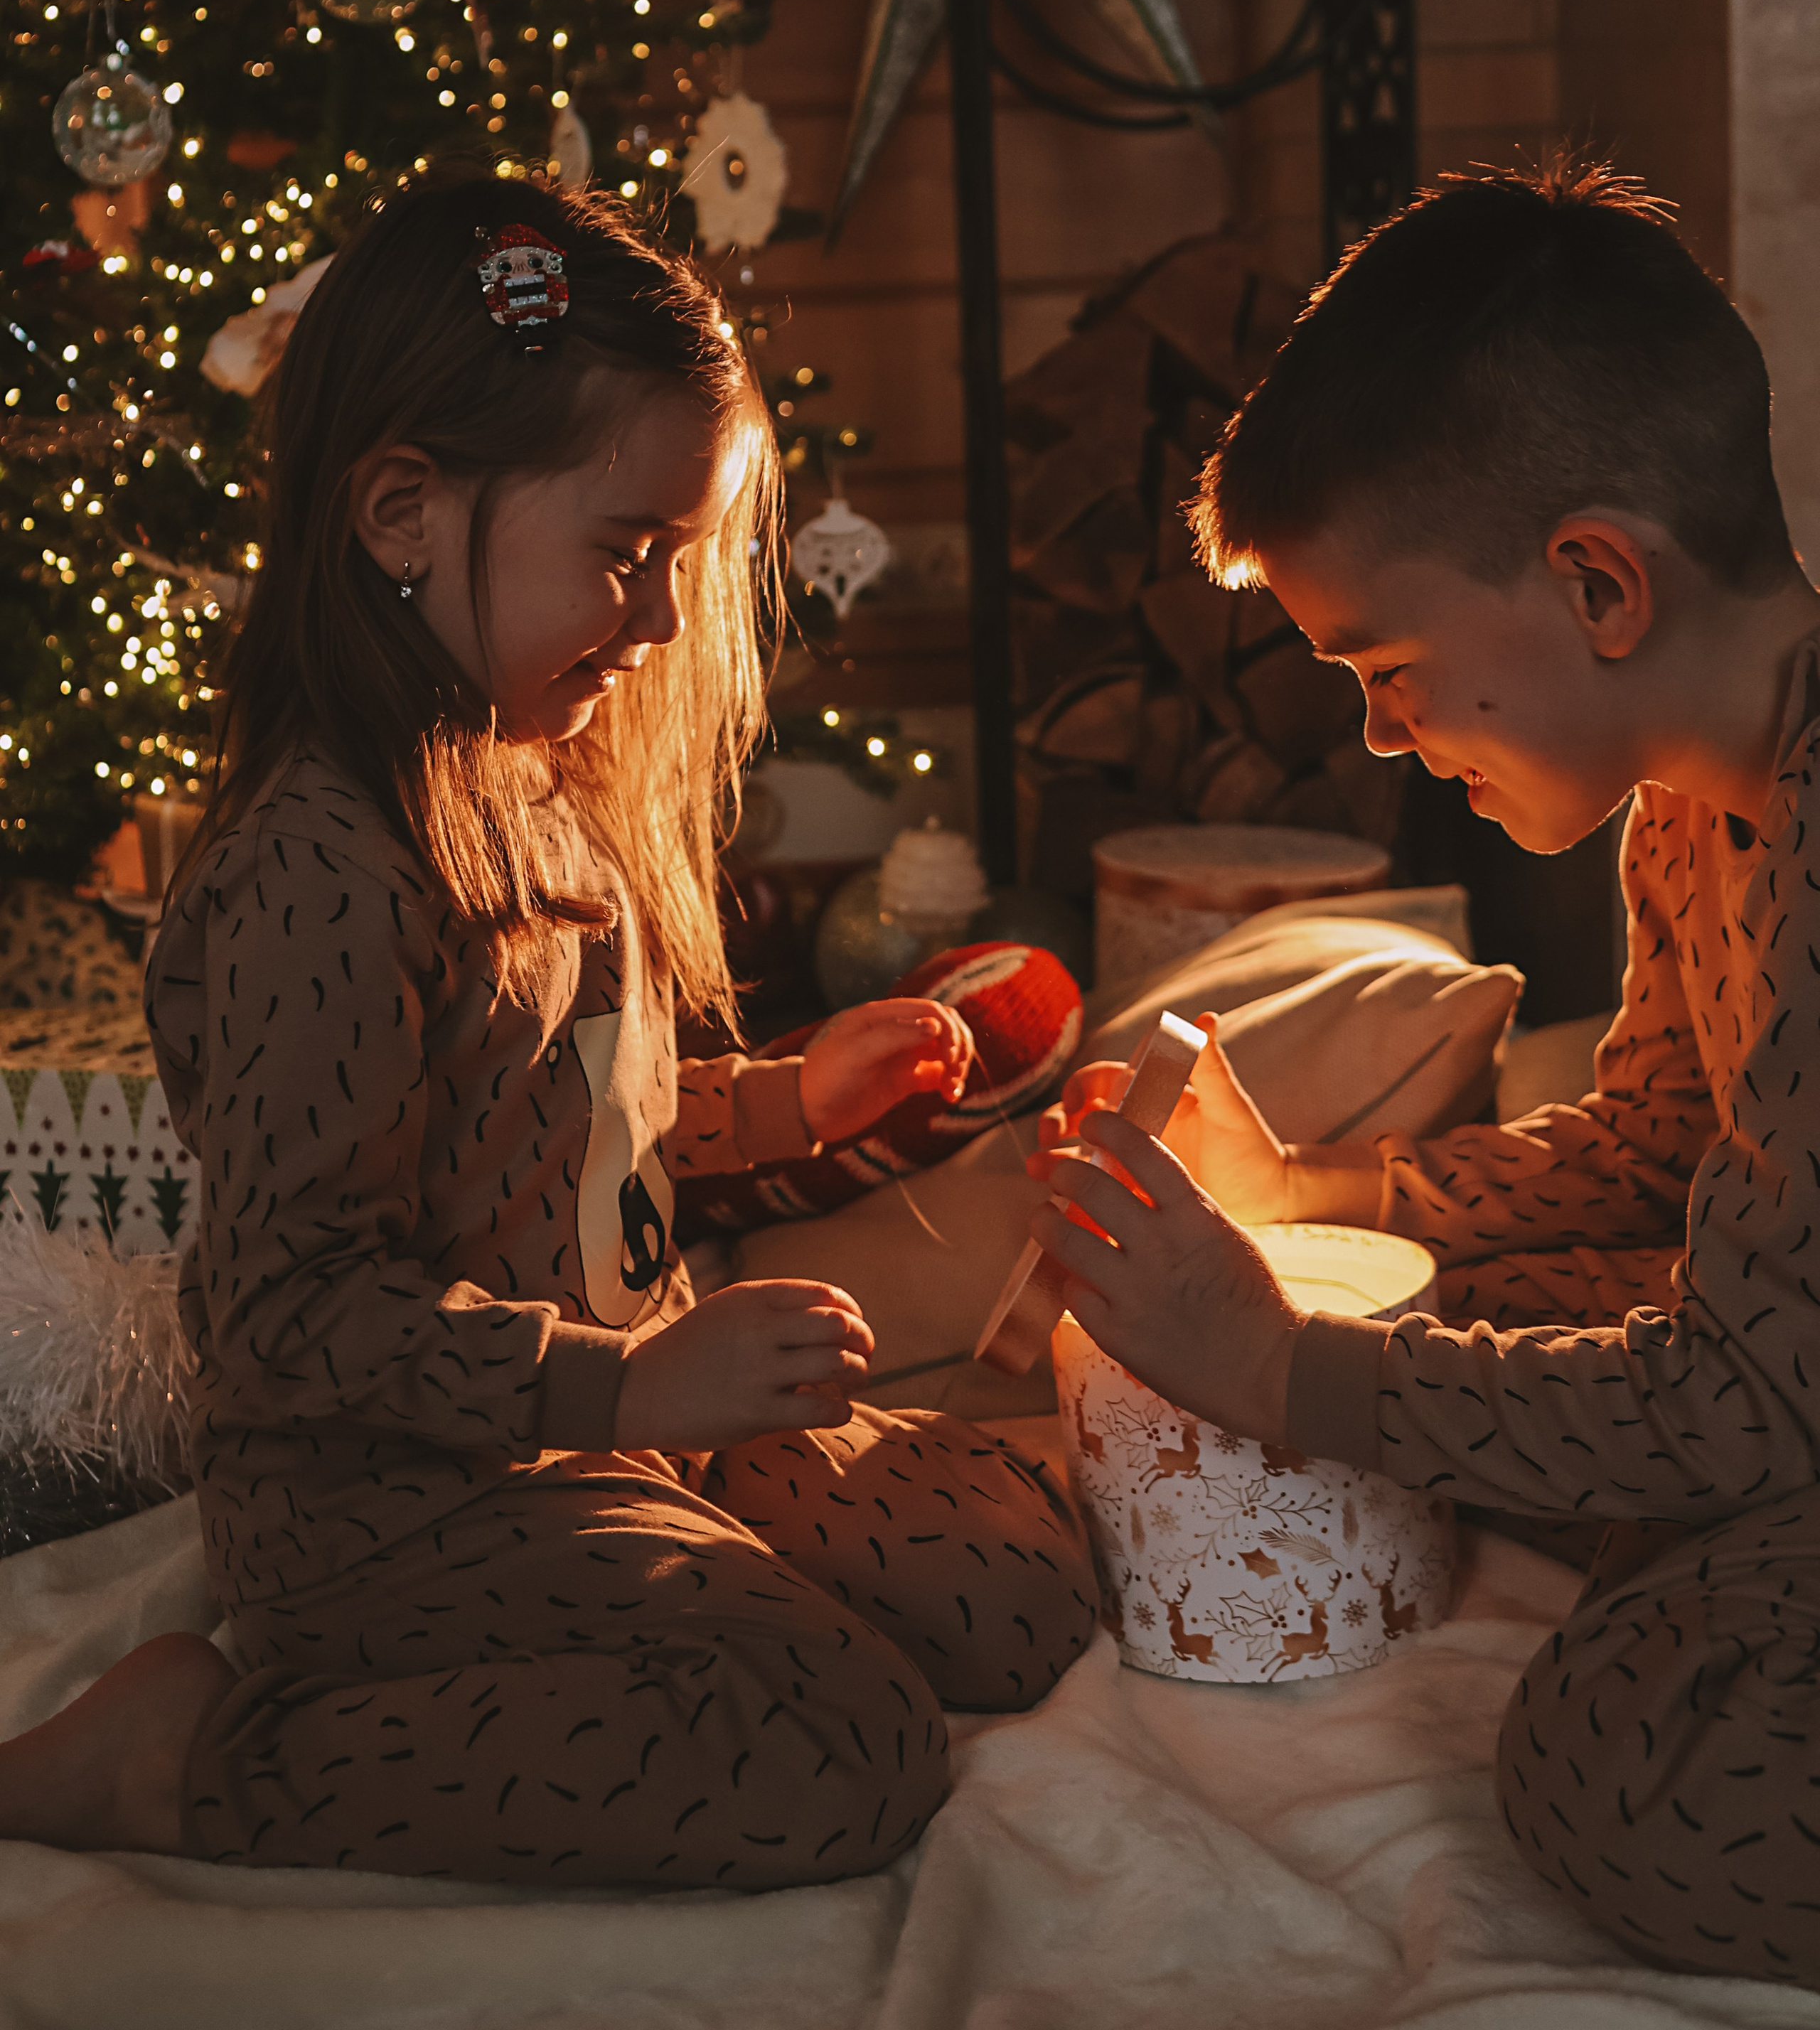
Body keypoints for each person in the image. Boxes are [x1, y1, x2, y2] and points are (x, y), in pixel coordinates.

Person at [0, 176, 1093, 1889]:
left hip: (614, 1407)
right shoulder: (326, 866)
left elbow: (572, 1115)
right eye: (623, 552)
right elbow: (285, 1314)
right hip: (397, 1492)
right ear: (400, 515)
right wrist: (630, 1380)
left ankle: (673, 1560)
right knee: (840, 1743)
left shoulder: (523, 769)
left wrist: (782, 1100)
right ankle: (198, 1756)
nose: (658, 619)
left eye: (674, 557)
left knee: (1013, 1582)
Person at [1030, 161, 1820, 1992]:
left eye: (1387, 668)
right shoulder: (1702, 796)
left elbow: (1739, 1403)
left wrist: (1263, 1363)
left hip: (1777, 1398)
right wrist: (1313, 1196)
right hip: (1780, 1366)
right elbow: (1652, 1148)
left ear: (1595, 580)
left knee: (1624, 1768)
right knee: (1467, 1301)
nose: (1379, 732)